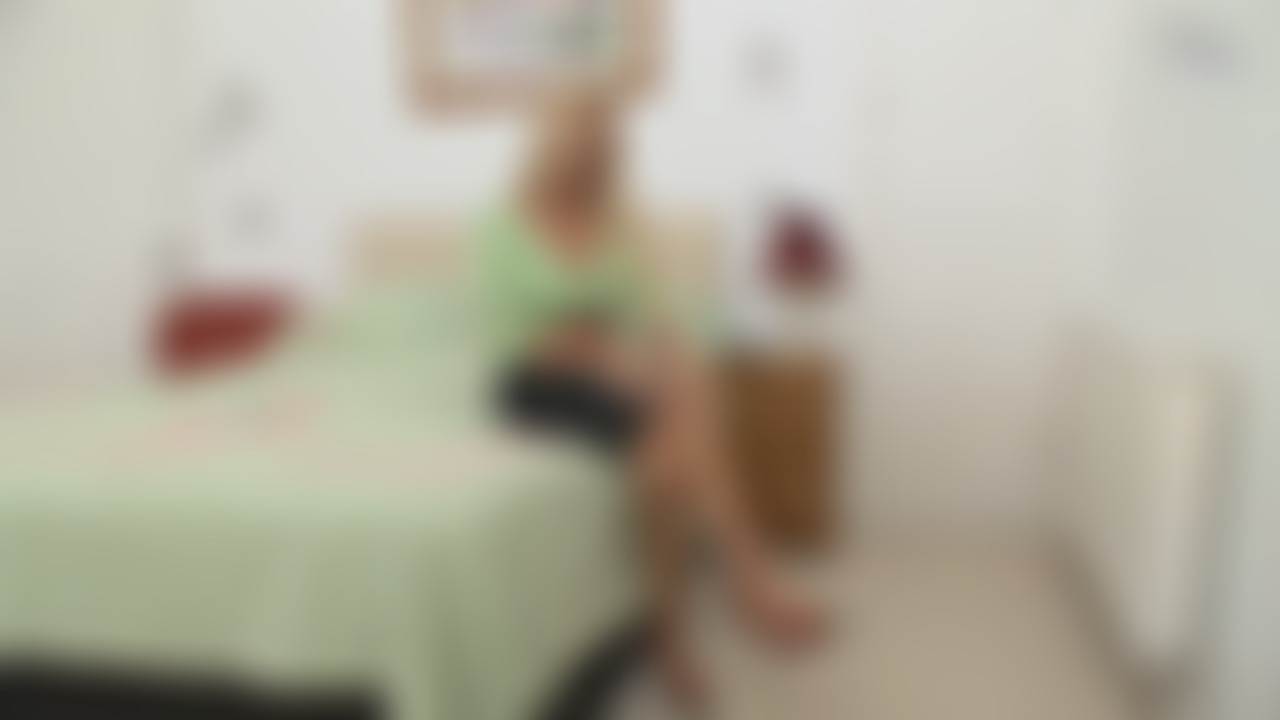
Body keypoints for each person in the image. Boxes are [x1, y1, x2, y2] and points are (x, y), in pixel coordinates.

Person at [475, 87, 824, 707]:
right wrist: (609, 357)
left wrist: (666, 359)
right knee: (674, 425)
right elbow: (512, 336)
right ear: (551, 148)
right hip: (536, 383)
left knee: (668, 452)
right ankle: (748, 582)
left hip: (613, 376)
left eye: (599, 151)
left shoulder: (618, 224)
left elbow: (651, 316)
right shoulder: (503, 223)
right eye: (577, 148)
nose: (586, 161)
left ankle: (682, 632)